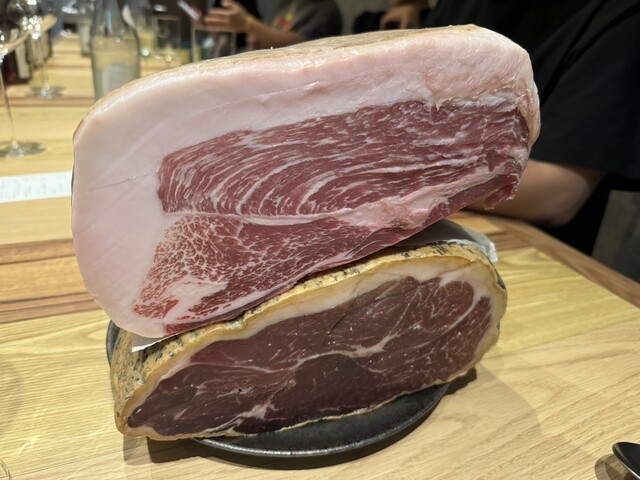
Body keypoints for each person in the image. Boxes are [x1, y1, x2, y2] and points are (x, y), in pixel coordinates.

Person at [380, 0, 640, 255]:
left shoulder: (618, 17)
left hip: (523, 253)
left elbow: (558, 193)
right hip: (399, 228)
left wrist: (387, 177)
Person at [203, 0, 342, 50]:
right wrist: (256, 39)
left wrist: (248, 24)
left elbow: (306, 44)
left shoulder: (327, 9)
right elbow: (272, 31)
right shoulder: (288, 4)